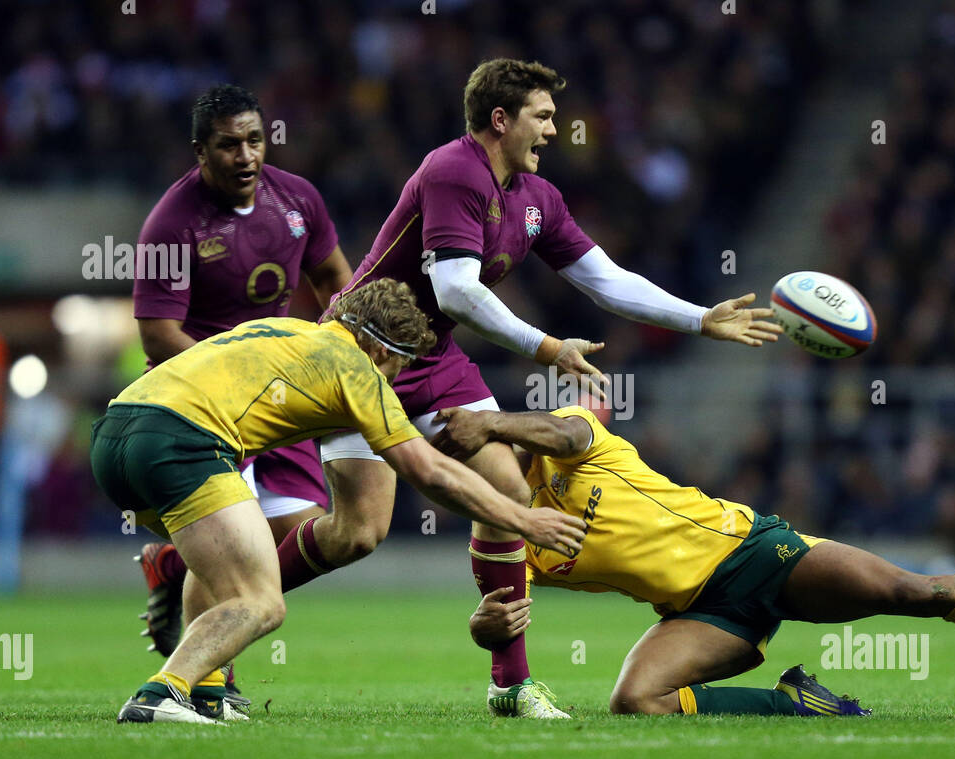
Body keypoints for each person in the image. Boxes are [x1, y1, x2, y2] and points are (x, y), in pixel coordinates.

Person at [298, 58, 783, 719]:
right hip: (362, 353)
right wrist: (548, 347)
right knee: (357, 534)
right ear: (502, 119)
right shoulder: (452, 170)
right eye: (544, 116)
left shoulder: (536, 198)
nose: (556, 130)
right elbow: (455, 289)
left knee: (507, 490)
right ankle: (208, 580)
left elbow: (606, 279)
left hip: (435, 358)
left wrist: (700, 318)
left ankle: (511, 683)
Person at [431, 405, 955, 717]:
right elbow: (497, 625)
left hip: (755, 552)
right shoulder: (505, 540)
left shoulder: (572, 441)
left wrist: (490, 417)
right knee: (634, 702)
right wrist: (483, 628)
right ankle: (797, 702)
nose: (476, 469)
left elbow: (561, 428)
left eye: (481, 452)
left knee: (915, 591)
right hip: (702, 614)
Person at [92, 280, 586, 725]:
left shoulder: (289, 329)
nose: (394, 382)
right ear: (377, 347)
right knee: (261, 599)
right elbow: (429, 471)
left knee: (226, 558)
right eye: (397, 367)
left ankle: (205, 691)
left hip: (114, 436)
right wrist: (523, 517)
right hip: (183, 445)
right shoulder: (358, 370)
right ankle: (163, 692)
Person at [131, 84, 355, 673]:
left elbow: (336, 280)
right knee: (235, 546)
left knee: (314, 536)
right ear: (200, 151)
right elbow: (157, 334)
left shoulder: (298, 200)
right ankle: (206, 681)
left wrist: (333, 351)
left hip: (279, 396)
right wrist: (231, 377)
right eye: (229, 146)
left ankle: (177, 565)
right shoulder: (170, 224)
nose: (247, 156)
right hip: (201, 406)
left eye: (255, 141)